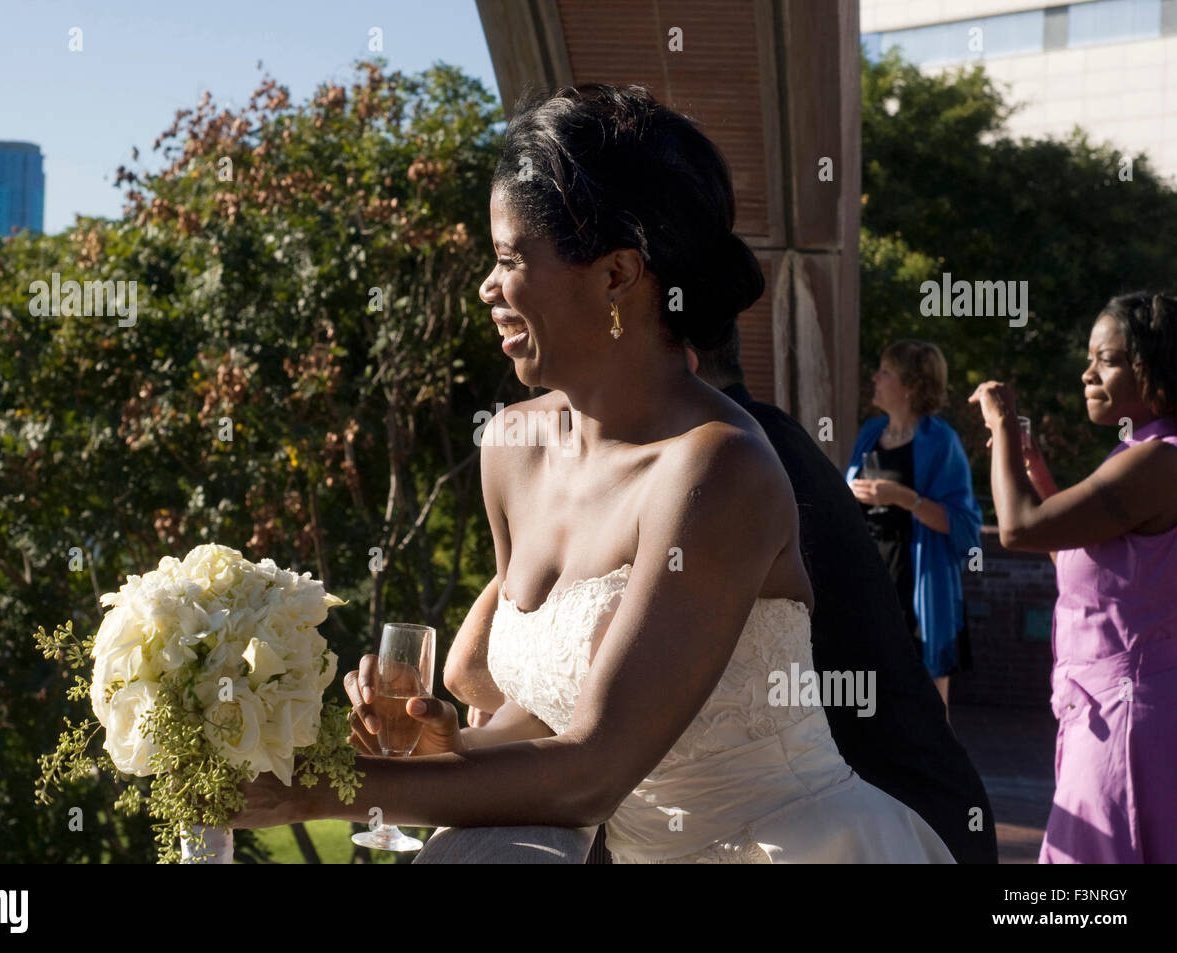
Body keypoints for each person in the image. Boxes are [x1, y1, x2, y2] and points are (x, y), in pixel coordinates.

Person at [233, 83, 954, 862]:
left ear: (616, 276)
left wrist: (324, 786)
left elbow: (594, 770)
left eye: (510, 258)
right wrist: (453, 746)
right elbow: (545, 714)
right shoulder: (509, 448)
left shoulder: (720, 469)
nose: (488, 286)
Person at [440, 324, 996, 864]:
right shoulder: (733, 450)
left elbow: (494, 683)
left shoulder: (722, 468)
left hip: (878, 821)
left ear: (680, 361)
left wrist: (376, 783)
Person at [969, 292, 1177, 864]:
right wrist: (1034, 468)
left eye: (1105, 359)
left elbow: (1017, 529)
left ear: (1153, 367)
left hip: (1130, 725)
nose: (1087, 373)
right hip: (1108, 713)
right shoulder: (1141, 454)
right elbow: (1078, 558)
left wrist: (1003, 424)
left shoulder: (1158, 459)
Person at [846, 341, 982, 719]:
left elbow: (965, 526)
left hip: (919, 581)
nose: (874, 377)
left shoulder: (941, 441)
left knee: (927, 708)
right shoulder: (871, 433)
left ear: (909, 385)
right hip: (871, 578)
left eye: (885, 372)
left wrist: (904, 498)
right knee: (871, 702)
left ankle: (933, 776)